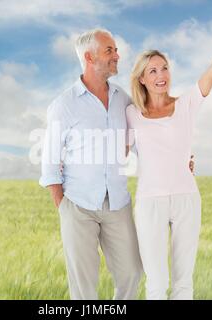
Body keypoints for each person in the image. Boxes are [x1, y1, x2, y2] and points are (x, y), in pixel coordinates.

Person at [126, 11, 212, 300]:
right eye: (153, 71)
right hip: (150, 202)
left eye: (164, 68)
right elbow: (117, 148)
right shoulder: (131, 115)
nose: (161, 75)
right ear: (141, 79)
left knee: (183, 281)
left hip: (187, 198)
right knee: (156, 282)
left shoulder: (187, 104)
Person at [39, 28, 143, 300]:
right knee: (84, 288)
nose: (117, 55)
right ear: (89, 57)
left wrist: (178, 161)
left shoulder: (123, 99)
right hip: (78, 206)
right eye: (110, 50)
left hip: (118, 203)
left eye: (115, 50)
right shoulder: (64, 105)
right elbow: (49, 162)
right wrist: (64, 207)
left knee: (132, 272)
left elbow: (142, 138)